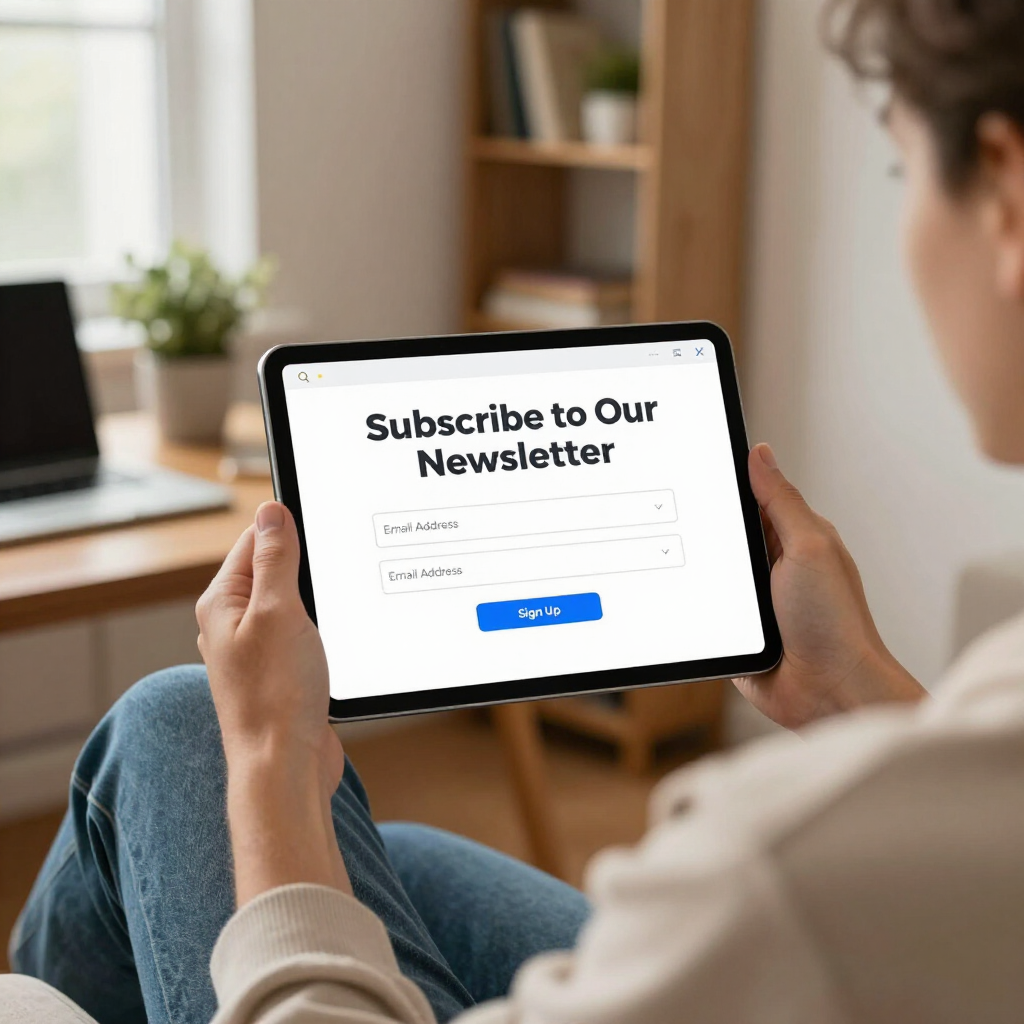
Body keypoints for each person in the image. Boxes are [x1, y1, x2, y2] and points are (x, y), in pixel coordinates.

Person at [6, 0, 1024, 1020]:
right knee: (393, 856)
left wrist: (274, 761)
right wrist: (857, 691)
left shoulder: (770, 867)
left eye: (899, 172)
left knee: (180, 722)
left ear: (1005, 193)